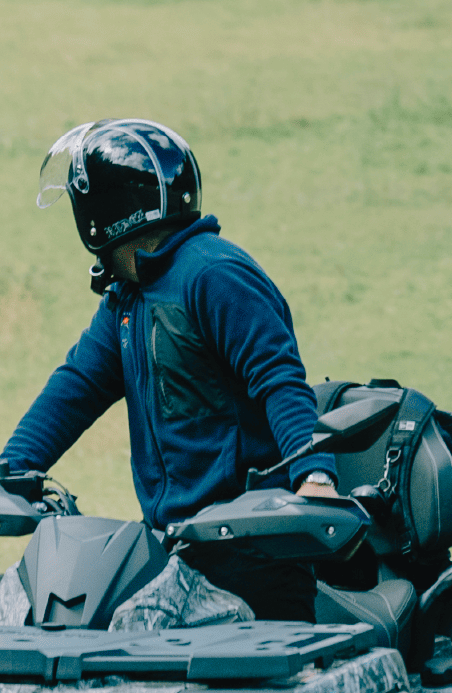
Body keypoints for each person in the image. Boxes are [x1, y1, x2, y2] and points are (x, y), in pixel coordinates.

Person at [2, 120, 335, 621]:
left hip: (254, 555)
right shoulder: (129, 298)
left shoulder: (213, 274)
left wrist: (315, 476)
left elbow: (279, 377)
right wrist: (11, 470)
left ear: (99, 214)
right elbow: (78, 386)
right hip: (174, 555)